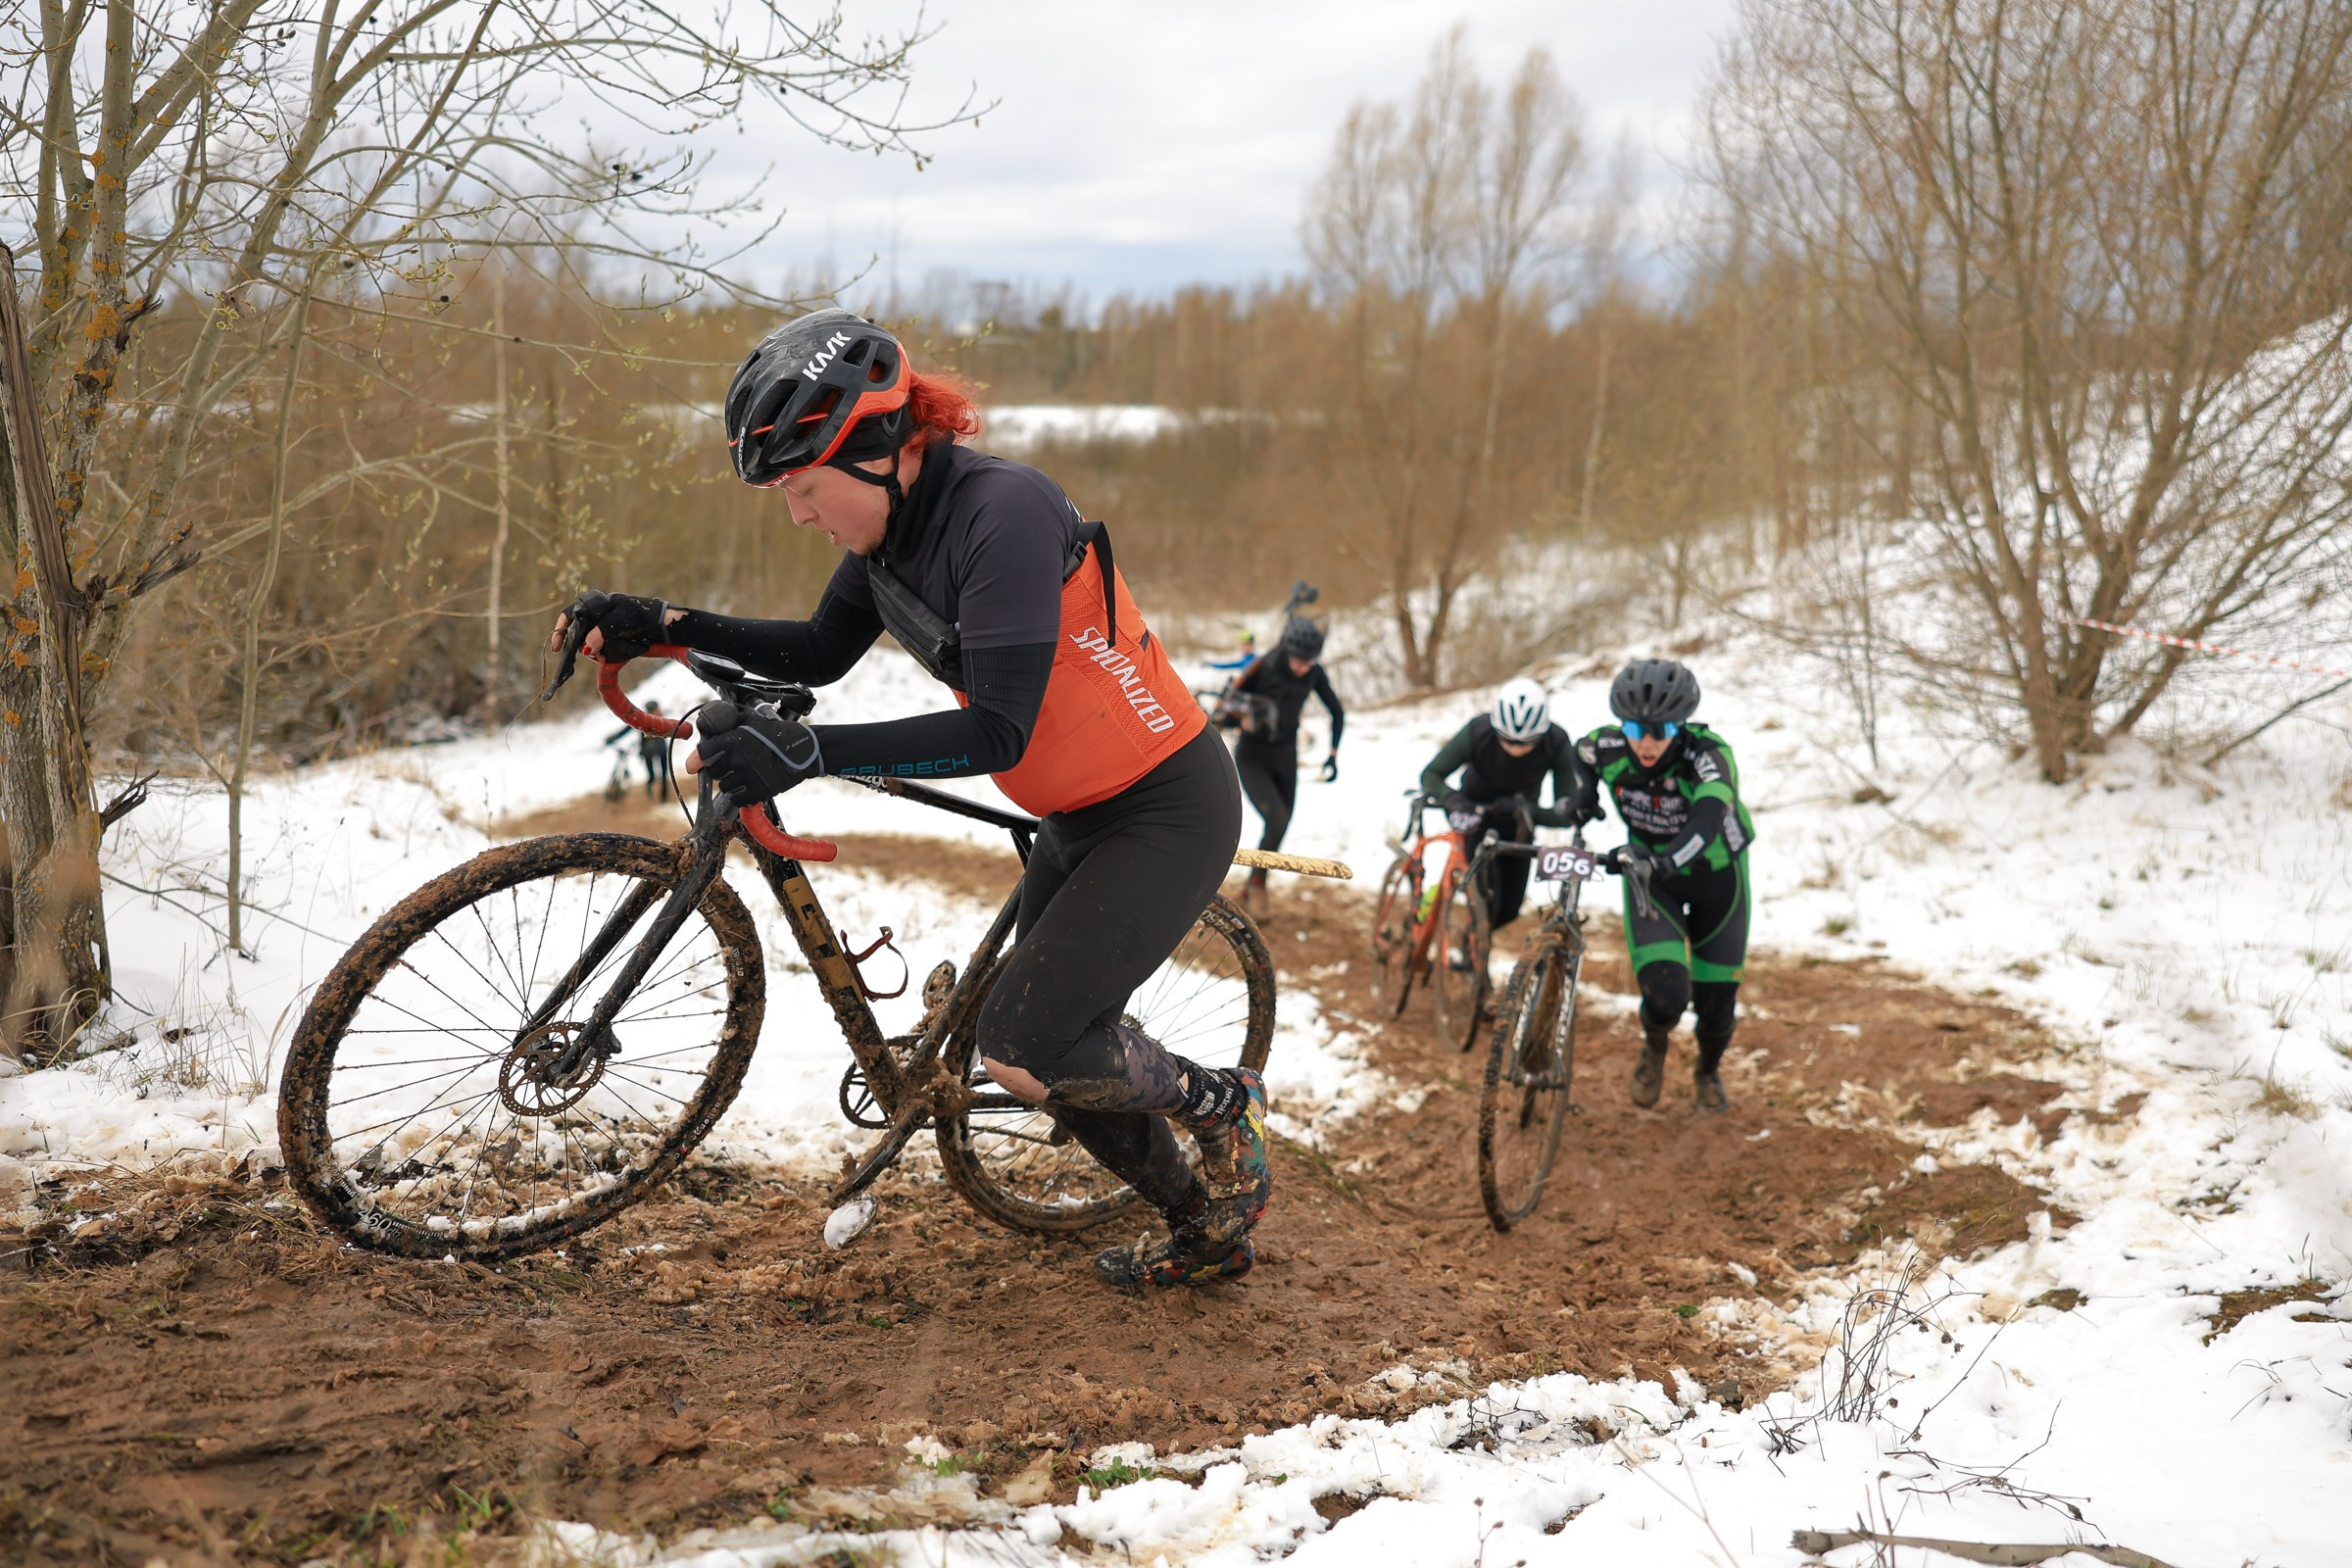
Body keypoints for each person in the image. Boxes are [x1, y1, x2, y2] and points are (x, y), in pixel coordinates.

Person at [547, 308, 1268, 1289]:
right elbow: (816, 650)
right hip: (1076, 809)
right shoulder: (895, 537)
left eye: (803, 488)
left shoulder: (1000, 516)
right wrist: (659, 620)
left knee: (1024, 1041)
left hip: (1163, 807)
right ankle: (1202, 1223)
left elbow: (997, 731)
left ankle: (1220, 1103)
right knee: (1041, 1044)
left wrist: (804, 751)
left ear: (876, 450)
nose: (799, 514)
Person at [1577, 658, 1754, 1115]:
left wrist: (1667, 859)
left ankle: (1706, 1070)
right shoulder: (1607, 746)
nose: (1648, 743)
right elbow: (1581, 756)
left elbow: (1708, 818)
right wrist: (1582, 796)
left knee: (1716, 1007)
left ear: (1682, 725)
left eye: (1662, 731)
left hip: (1719, 879)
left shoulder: (1709, 754)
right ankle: (1655, 1044)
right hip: (1654, 882)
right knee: (1666, 996)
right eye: (1636, 730)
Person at [1416, 678, 1594, 938]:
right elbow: (1431, 774)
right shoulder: (1478, 732)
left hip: (1519, 822)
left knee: (1509, 909)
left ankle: (1472, 940)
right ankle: (1473, 949)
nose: (1516, 749)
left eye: (1527, 743)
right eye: (1507, 740)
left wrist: (1528, 810)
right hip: (1476, 816)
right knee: (1488, 894)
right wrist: (1452, 800)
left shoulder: (1556, 742)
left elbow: (1564, 812)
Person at [1226, 613, 1344, 913]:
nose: (1305, 667)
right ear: (1288, 652)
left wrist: (1332, 754)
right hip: (1253, 754)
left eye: (1311, 662)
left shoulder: (1313, 672)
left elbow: (1337, 711)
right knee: (1276, 819)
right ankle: (1257, 887)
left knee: (1281, 823)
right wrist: (1246, 712)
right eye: (1300, 661)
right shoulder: (1264, 665)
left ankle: (1252, 880)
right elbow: (1227, 703)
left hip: (1285, 754)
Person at [605, 701, 676, 800]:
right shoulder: (643, 720)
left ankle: (663, 798)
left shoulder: (661, 720)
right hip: (648, 752)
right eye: (655, 709)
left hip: (660, 751)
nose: (658, 711)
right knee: (652, 775)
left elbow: (675, 728)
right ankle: (650, 792)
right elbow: (627, 729)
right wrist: (612, 738)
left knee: (664, 775)